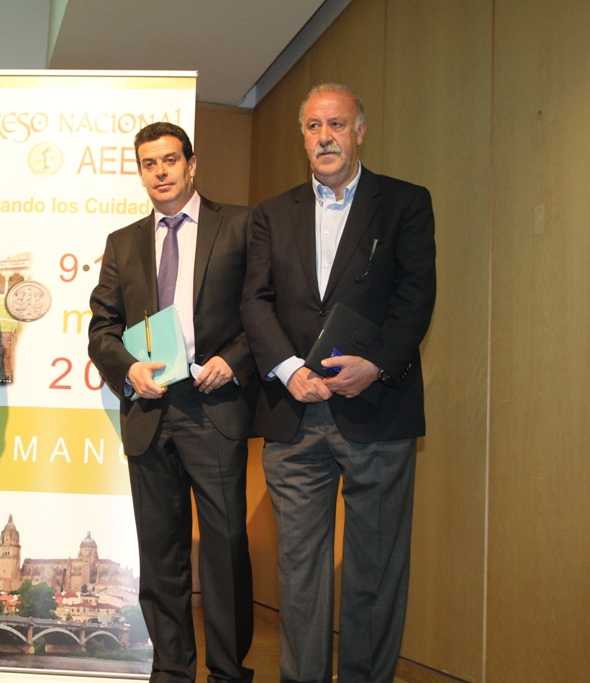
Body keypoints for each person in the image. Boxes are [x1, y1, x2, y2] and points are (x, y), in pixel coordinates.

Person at [240, 83, 436, 683]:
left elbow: (415, 297)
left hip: (375, 409)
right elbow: (255, 301)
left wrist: (374, 365)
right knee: (300, 570)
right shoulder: (272, 214)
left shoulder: (405, 202)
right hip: (294, 416)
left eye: (336, 124)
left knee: (374, 569)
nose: (324, 136)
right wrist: (289, 369)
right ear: (302, 135)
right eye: (312, 126)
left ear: (359, 130)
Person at [88, 122, 256, 683]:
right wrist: (128, 370)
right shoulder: (123, 242)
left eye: (168, 161)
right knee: (161, 556)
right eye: (147, 163)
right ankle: (172, 670)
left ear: (191, 164)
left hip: (214, 406)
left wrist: (234, 358)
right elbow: (102, 329)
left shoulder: (239, 226)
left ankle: (230, 671)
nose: (159, 172)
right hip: (150, 410)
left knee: (225, 550)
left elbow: (264, 310)